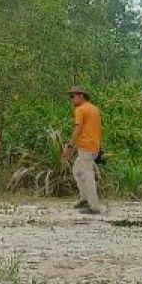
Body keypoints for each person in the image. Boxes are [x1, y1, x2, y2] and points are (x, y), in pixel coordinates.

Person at [63, 86, 102, 214]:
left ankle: (94, 206)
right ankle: (84, 199)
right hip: (93, 146)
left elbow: (78, 130)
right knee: (77, 170)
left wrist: (69, 147)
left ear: (81, 96)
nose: (72, 99)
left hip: (86, 146)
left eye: (73, 96)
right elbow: (94, 129)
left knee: (87, 174)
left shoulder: (80, 109)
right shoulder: (94, 109)